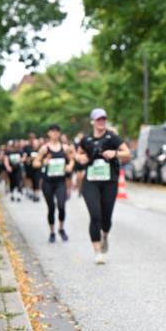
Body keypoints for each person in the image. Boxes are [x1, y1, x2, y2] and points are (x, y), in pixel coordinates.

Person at [74, 108, 130, 264]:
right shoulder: (86, 140)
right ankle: (97, 251)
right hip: (91, 181)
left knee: (106, 219)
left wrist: (115, 153)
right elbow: (77, 154)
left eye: (104, 119)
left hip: (109, 182)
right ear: (92, 121)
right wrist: (81, 158)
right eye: (98, 119)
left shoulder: (112, 138)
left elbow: (127, 153)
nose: (101, 122)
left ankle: (105, 234)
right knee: (95, 215)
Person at [32, 124, 74, 243]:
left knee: (61, 206)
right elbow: (35, 163)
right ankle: (52, 232)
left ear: (59, 133)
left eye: (57, 131)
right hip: (48, 182)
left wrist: (69, 166)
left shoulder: (65, 148)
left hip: (61, 182)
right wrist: (43, 162)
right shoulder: (44, 149)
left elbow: (72, 159)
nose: (55, 133)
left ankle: (61, 228)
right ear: (48, 133)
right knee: (51, 208)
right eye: (52, 131)